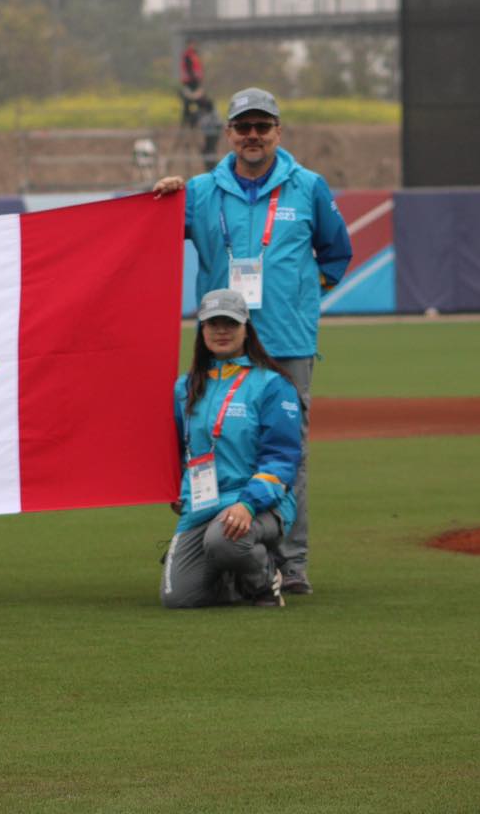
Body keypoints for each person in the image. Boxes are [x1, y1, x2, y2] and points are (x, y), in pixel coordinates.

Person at [153, 87, 353, 596]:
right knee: (212, 440)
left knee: (289, 453)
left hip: (285, 342)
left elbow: (336, 252)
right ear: (229, 134)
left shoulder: (307, 187)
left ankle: (292, 563)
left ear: (278, 132)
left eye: (263, 126)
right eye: (244, 127)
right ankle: (218, 548)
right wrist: (162, 196)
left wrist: (301, 299)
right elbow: (146, 236)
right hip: (221, 340)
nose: (253, 136)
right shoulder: (199, 191)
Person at [160, 289, 302, 609]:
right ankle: (235, 581)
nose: (221, 330)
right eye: (213, 323)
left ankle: (264, 581)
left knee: (224, 538)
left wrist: (248, 504)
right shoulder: (185, 387)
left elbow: (281, 458)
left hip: (258, 504)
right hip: (205, 503)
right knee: (177, 598)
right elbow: (181, 449)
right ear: (202, 330)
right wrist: (178, 489)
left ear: (246, 329)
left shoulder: (272, 384)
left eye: (230, 323)